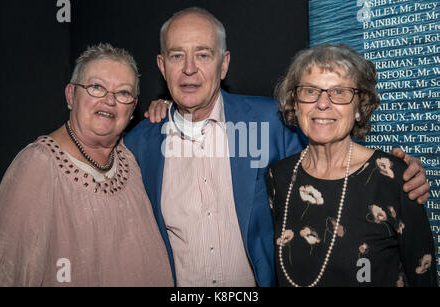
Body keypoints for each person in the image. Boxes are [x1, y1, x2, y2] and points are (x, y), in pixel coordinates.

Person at [125, 7, 430, 286]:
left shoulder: (272, 122)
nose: (189, 68)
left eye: (203, 55)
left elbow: (334, 156)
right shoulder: (140, 145)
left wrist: (401, 174)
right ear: (162, 67)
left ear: (224, 64)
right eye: (177, 56)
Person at [0, 43, 173, 286]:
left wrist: (174, 111)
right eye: (96, 87)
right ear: (70, 95)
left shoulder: (131, 159)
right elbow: (3, 277)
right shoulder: (37, 166)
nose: (109, 100)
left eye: (123, 93)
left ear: (132, 109)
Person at [266, 44, 437, 287]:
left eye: (339, 92)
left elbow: (424, 276)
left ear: (360, 106)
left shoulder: (395, 177)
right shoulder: (279, 177)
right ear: (295, 103)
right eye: (310, 91)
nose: (322, 103)